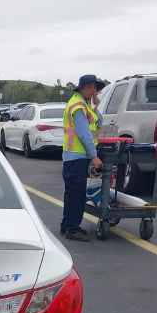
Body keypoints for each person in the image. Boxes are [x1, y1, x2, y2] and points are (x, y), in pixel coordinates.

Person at [61, 74, 105, 242]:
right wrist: (94, 156)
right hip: (76, 156)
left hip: (75, 156)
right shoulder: (78, 106)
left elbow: (98, 122)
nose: (94, 91)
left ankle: (67, 225)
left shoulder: (84, 104)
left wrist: (96, 105)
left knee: (72, 194)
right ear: (83, 88)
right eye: (92, 87)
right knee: (77, 195)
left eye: (95, 88)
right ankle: (72, 229)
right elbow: (84, 133)